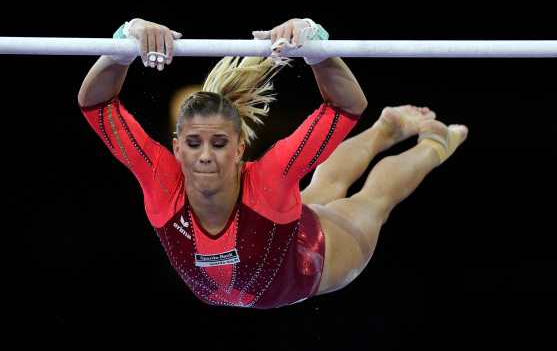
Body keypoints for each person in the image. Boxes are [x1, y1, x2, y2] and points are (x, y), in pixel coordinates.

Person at [77, 17, 468, 309]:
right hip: (283, 227)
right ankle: (387, 128)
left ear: (239, 149)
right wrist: (119, 48)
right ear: (176, 148)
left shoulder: (268, 177)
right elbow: (95, 106)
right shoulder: (161, 180)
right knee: (323, 188)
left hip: (316, 257)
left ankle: (436, 142)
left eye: (219, 143)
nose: (206, 155)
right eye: (194, 143)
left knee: (372, 201)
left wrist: (317, 47)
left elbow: (348, 106)